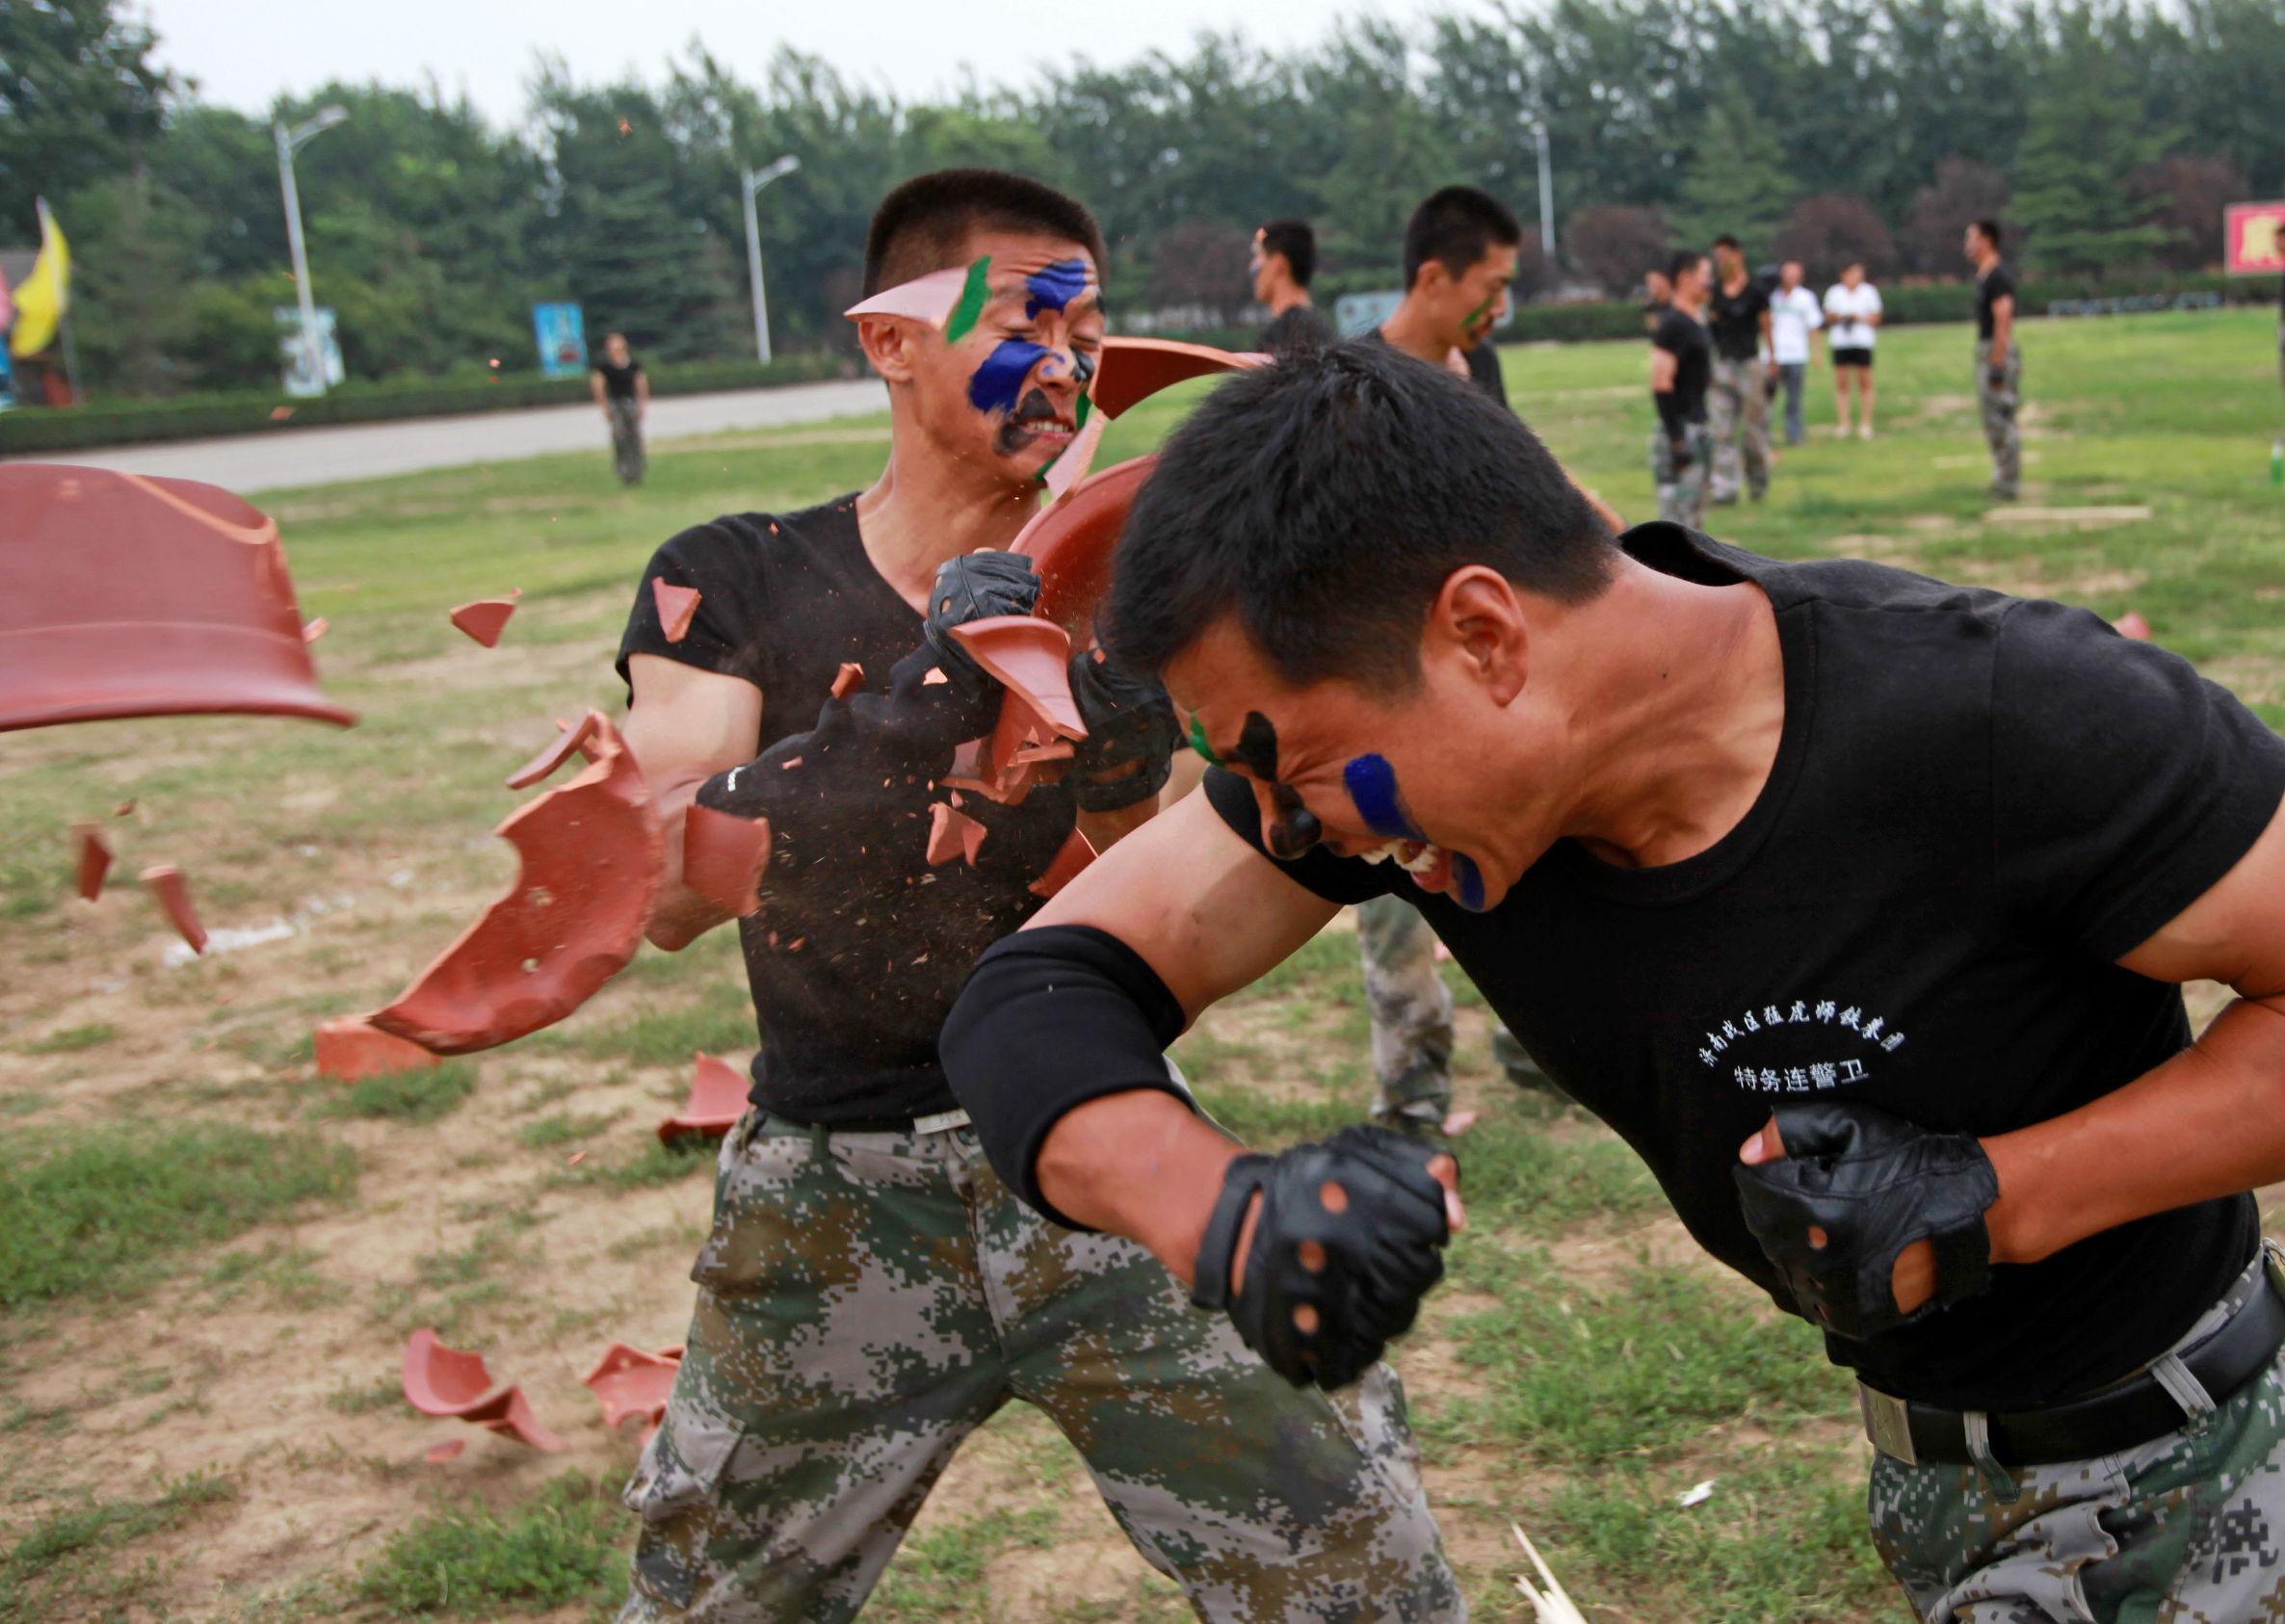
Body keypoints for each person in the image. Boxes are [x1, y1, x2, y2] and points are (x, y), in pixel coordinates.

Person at [939, 336, 2285, 1621]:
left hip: (2199, 1467)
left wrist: (2000, 1195)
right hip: (1939, 1479)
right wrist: (1214, 1208)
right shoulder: (1413, 793)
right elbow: (1039, 992)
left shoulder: (2002, 719)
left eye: (1291, 771)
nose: (1299, 837)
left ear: (1483, 634)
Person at [609, 170, 1458, 1623]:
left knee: (1366, 1581)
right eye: (1025, 318)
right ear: (891, 340)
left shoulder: (1120, 589)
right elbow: (661, 878)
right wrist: (913, 706)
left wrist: (1123, 713)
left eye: (1088, 324)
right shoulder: (737, 577)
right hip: (834, 1200)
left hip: (1092, 1164)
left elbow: (1158, 872)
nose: (1066, 359)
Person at [1367, 184, 1564, 1131]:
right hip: (1384, 685)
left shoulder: (1475, 369)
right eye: (1490, 285)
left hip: (1484, 668)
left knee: (1536, 854)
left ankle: (1540, 1050)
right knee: (1399, 889)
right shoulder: (1351, 386)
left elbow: (1524, 491)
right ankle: (1410, 1098)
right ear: (1433, 275)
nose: (1498, 307)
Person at [1377, 185, 1517, 407]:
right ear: (1432, 280)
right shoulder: (1358, 381)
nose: (1501, 308)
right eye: (1493, 288)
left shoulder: (1480, 358)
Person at [1704, 235, 1773, 503]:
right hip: (1723, 364)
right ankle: (1725, 489)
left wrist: (1773, 363)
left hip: (1750, 364)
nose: (1721, 261)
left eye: (1724, 255)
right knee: (1722, 430)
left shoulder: (1756, 291)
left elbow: (1768, 328)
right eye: (1717, 256)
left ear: (1738, 255)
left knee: (1753, 432)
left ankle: (1758, 483)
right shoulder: (1714, 292)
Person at [1650, 251, 1714, 527]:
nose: (1709, 283)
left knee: (1695, 518)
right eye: (1705, 276)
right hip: (1681, 430)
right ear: (1685, 278)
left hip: (1697, 425)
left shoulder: (1696, 319)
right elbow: (1661, 383)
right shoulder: (1674, 324)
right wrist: (1677, 438)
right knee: (1678, 521)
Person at [1966, 220, 2020, 500]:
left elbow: (2003, 318)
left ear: (1987, 240)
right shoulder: (1984, 275)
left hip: (1996, 351)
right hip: (1988, 349)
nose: (1968, 244)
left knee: (2001, 416)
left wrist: (1997, 362)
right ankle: (2001, 475)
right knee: (1991, 418)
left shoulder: (1998, 276)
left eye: (1971, 238)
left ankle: (2009, 482)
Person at [1250, 218, 1330, 355]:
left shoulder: (1288, 332)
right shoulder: (1313, 325)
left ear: (1278, 264)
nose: (1252, 267)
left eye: (1258, 256)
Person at [1823, 261, 1882, 439]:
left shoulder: (1869, 292)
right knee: (1841, 383)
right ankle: (1844, 423)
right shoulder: (1834, 292)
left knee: (1865, 381)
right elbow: (1827, 316)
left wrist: (1858, 318)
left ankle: (1866, 423)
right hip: (1841, 342)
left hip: (1862, 341)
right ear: (1844, 274)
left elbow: (1876, 317)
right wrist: (1840, 317)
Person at [1768, 261, 1822, 447]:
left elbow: (1813, 327)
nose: (1790, 277)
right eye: (1787, 273)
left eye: (1794, 274)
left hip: (1796, 355)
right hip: (1772, 356)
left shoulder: (1806, 298)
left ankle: (1794, 435)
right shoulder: (1771, 297)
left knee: (1794, 398)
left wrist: (1817, 353)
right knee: (1767, 399)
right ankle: (1764, 434)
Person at [591, 332, 649, 485]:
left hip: (630, 402)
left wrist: (642, 404)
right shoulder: (605, 367)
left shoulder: (633, 365)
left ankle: (638, 470)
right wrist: (604, 406)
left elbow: (641, 383)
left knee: (634, 437)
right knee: (620, 437)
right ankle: (624, 471)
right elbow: (597, 385)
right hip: (615, 403)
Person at [1642, 267, 1672, 336]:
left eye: (1654, 282)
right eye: (1649, 283)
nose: (1651, 286)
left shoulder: (1677, 302)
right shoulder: (1652, 304)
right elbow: (1655, 331)